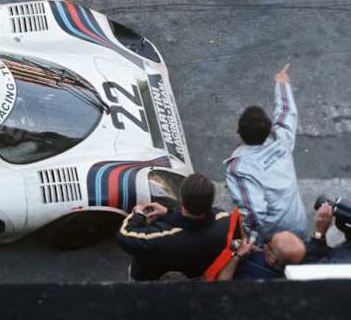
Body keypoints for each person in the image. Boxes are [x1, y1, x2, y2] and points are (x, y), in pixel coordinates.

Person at [223, 63, 307, 242]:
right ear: (269, 130)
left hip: (272, 239)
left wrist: (248, 240)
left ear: (238, 132)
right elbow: (287, 113)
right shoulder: (281, 141)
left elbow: (254, 214)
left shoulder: (239, 168)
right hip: (299, 227)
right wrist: (282, 83)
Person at [117, 173, 240, 280]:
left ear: (182, 200)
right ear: (209, 202)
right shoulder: (224, 221)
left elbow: (125, 235)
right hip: (193, 275)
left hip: (150, 279)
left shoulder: (160, 239)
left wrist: (139, 214)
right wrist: (168, 212)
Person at [216, 231, 306, 280]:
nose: (265, 244)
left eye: (269, 242)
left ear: (272, 259)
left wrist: (237, 255)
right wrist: (257, 250)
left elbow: (221, 284)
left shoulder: (252, 278)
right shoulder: (294, 263)